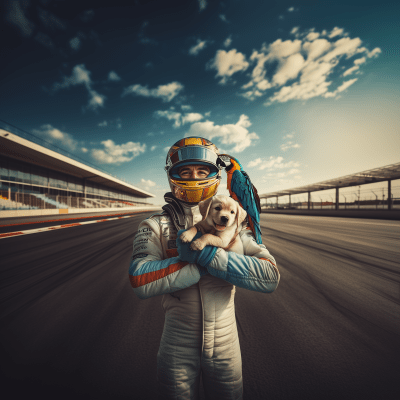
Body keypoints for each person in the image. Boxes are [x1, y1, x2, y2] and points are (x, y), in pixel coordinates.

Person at [129, 137, 280, 400]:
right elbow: (140, 279)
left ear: (216, 174)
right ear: (172, 176)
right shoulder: (156, 225)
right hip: (177, 344)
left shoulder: (236, 224)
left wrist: (206, 255)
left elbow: (269, 276)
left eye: (202, 170)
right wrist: (206, 266)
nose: (194, 177)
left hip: (226, 345)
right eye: (185, 171)